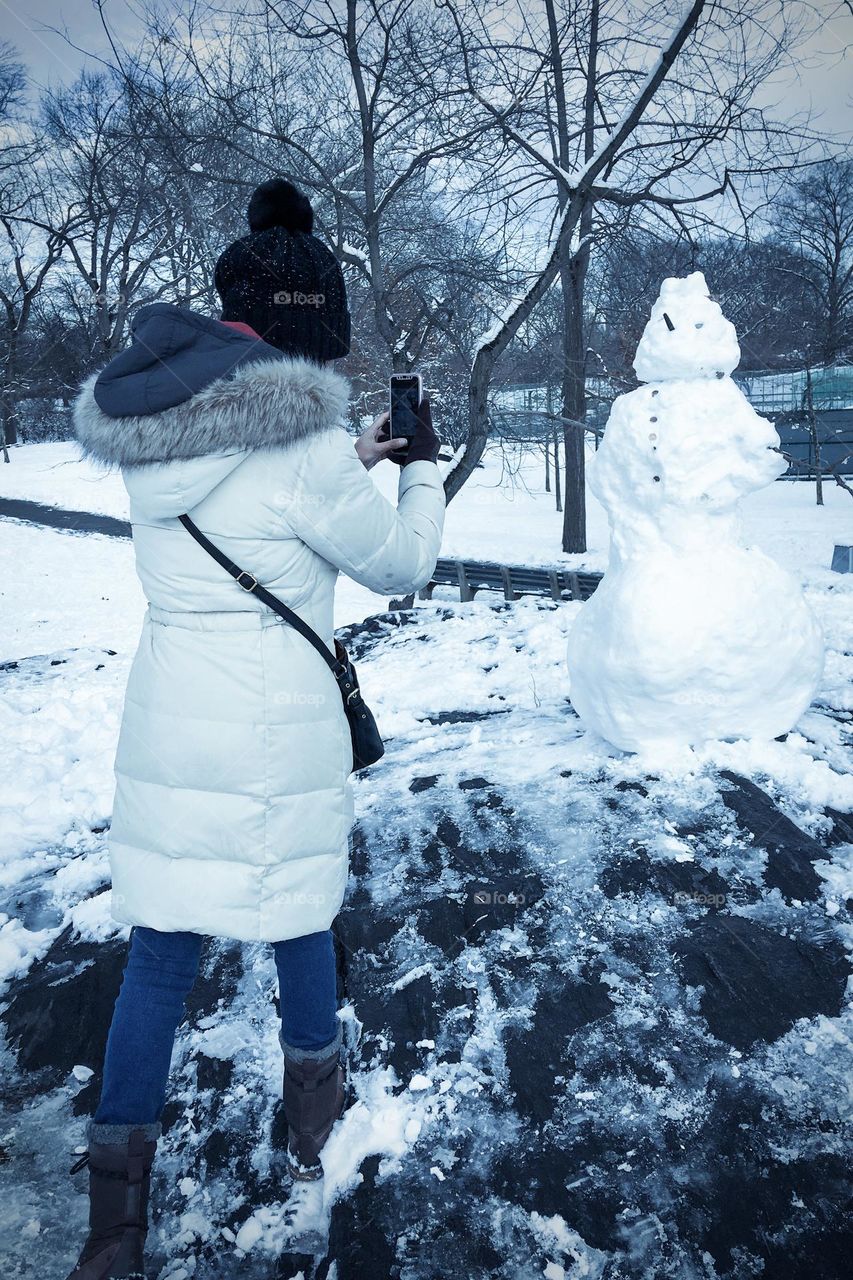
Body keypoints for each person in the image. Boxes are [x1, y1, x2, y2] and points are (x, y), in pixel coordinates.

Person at [65, 177, 445, 1279]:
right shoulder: (307, 449)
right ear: (307, 331)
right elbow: (404, 564)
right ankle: (317, 1133)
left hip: (174, 728)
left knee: (158, 959)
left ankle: (111, 1228)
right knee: (298, 921)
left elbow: (250, 504)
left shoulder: (157, 428)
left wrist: (351, 461)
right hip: (278, 734)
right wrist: (414, 471)